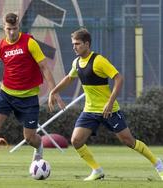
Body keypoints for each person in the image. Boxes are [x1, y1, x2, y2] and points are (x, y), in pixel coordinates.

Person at [48, 28, 163, 181]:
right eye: (73, 44)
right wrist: (53, 91)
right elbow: (69, 78)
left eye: (77, 44)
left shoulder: (99, 60)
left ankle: (158, 164)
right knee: (76, 140)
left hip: (109, 110)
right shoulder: (76, 63)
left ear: (87, 44)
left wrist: (110, 102)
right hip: (89, 110)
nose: (74, 47)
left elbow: (118, 78)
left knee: (128, 141)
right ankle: (97, 170)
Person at [0, 12, 64, 176]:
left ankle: (39, 147)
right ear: (4, 27)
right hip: (6, 95)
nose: (11, 32)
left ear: (19, 26)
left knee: (30, 137)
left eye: (15, 28)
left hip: (29, 98)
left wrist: (55, 92)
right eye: (9, 29)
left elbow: (45, 67)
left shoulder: (30, 43)